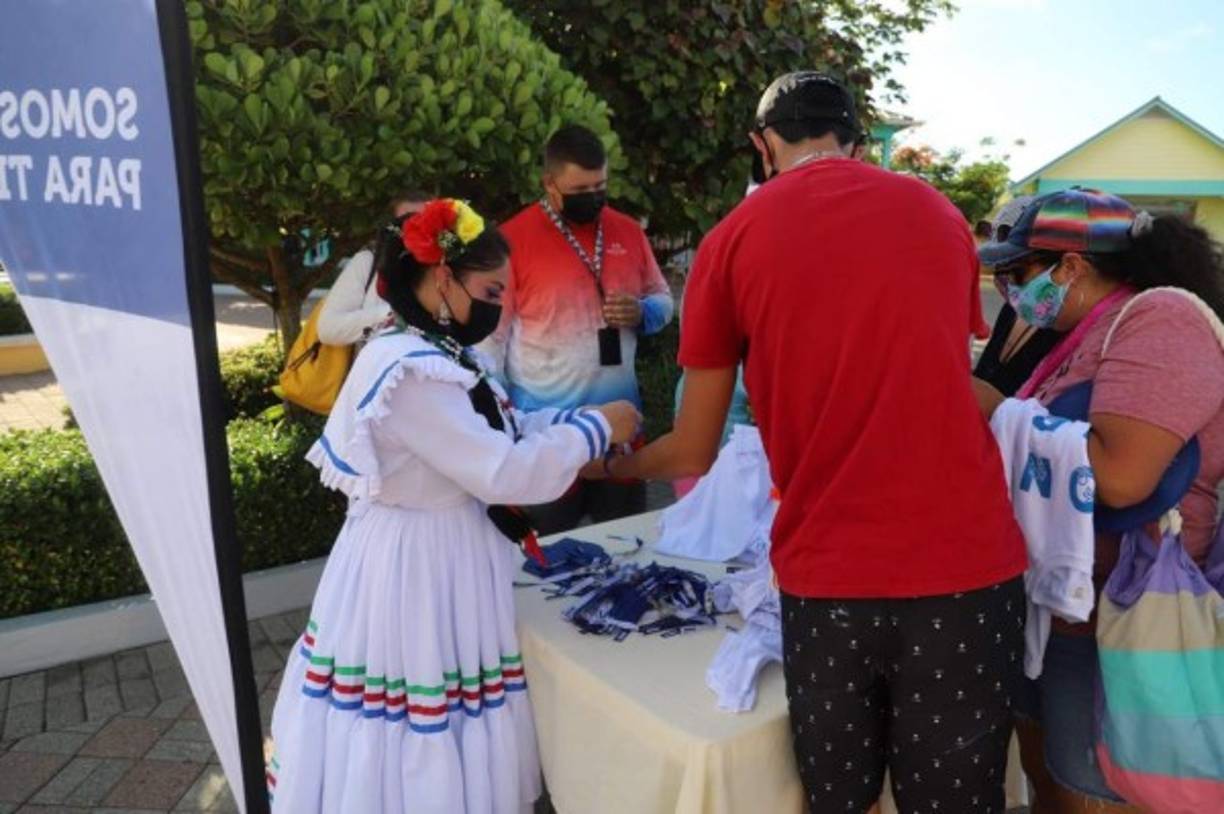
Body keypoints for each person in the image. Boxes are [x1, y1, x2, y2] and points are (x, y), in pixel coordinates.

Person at [602, 71, 1028, 813]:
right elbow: (944, 374)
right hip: (967, 564)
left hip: (829, 578)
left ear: (762, 145)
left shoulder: (732, 238)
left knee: (841, 800)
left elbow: (694, 449)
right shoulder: (938, 214)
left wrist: (615, 464)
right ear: (857, 140)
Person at [266, 198, 641, 813]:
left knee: (450, 707)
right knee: (420, 711)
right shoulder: (408, 370)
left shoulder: (438, 351)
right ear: (444, 278)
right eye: (491, 289)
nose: (498, 306)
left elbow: (504, 428)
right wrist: (596, 429)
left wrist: (578, 423)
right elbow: (501, 469)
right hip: (415, 569)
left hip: (446, 553)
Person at [973, 189, 1224, 813]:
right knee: (1059, 771)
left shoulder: (1158, 319)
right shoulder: (1085, 332)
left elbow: (1121, 479)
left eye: (1017, 273)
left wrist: (995, 409)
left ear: (1069, 267)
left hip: (1125, 612)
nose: (1008, 289)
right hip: (1067, 603)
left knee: (1103, 783)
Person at [480, 124, 674, 534]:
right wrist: (498, 426)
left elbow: (663, 299)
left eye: (600, 186)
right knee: (547, 560)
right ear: (550, 184)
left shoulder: (626, 231)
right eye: (581, 189)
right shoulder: (511, 242)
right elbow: (490, 344)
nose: (594, 198)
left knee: (626, 544)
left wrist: (642, 313)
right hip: (547, 435)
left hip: (621, 431)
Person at [974, 196, 1063, 396]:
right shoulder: (1013, 309)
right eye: (1000, 270)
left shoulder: (1067, 327)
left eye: (1018, 270)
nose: (1008, 281)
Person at [316, 192, 430, 347]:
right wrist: (393, 314)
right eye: (406, 223)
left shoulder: (450, 270)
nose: (417, 230)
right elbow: (328, 329)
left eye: (427, 223)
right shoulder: (368, 262)